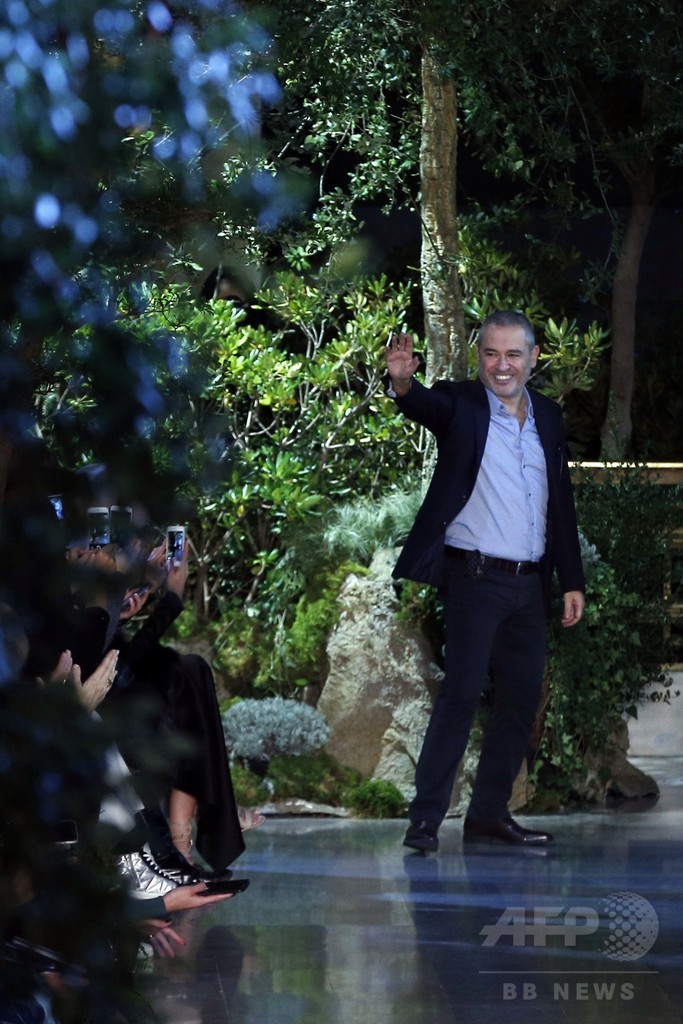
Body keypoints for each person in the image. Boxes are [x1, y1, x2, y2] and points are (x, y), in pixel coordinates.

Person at [385, 310, 585, 850]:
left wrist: (571, 579)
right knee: (461, 695)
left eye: (513, 354)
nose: (502, 365)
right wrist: (402, 383)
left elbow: (560, 503)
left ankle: (488, 816)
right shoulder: (462, 404)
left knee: (519, 702)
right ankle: (425, 821)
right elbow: (424, 405)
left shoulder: (548, 416)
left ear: (533, 358)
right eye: (491, 353)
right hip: (474, 578)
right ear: (479, 356)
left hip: (529, 585)